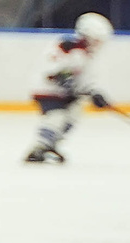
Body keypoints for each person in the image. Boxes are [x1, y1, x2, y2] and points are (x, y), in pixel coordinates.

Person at [26, 12, 113, 163]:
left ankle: (50, 143)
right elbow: (53, 70)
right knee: (56, 116)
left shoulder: (86, 55)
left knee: (74, 114)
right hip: (47, 89)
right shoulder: (67, 46)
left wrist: (94, 93)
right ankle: (39, 146)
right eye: (96, 40)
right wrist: (65, 80)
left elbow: (85, 79)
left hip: (65, 92)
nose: (98, 44)